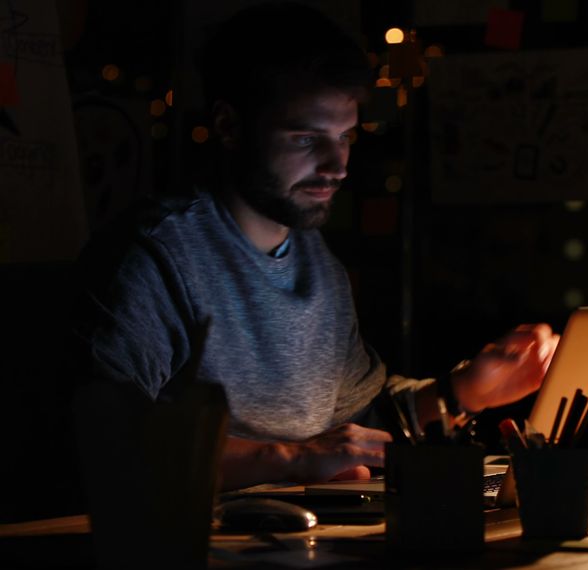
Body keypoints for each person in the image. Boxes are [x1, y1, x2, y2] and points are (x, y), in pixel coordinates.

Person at [68, 2, 558, 491]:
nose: (337, 165)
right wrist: (291, 458)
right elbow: (108, 440)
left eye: (345, 136)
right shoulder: (156, 256)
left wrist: (467, 389)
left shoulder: (318, 264)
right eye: (306, 139)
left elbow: (361, 419)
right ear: (228, 126)